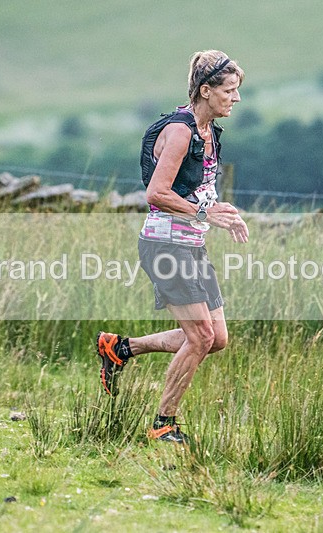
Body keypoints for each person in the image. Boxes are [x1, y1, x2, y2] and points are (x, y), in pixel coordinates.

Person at [96, 50, 249, 444]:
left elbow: (198, 191)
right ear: (205, 90)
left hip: (191, 246)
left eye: (237, 91)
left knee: (216, 339)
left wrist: (222, 210)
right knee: (199, 337)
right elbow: (157, 193)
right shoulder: (180, 131)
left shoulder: (210, 131)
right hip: (165, 245)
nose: (235, 98)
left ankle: (119, 349)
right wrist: (205, 213)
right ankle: (163, 424)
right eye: (229, 91)